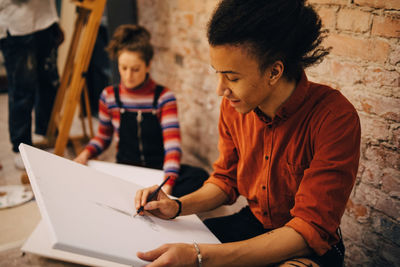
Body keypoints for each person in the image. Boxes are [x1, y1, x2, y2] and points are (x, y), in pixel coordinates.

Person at [134, 0, 361, 266]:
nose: (221, 89)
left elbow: (309, 229)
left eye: (232, 77)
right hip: (251, 223)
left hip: (306, 246)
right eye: (218, 74)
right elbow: (224, 180)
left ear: (274, 72)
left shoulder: (334, 118)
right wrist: (177, 206)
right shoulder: (234, 107)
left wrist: (199, 255)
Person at [74, 24, 208, 196]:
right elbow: (103, 136)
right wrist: (86, 153)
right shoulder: (108, 96)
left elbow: (172, 146)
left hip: (157, 171)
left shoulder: (164, 97)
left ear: (148, 65)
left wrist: (167, 184)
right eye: (123, 68)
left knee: (200, 177)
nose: (128, 75)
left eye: (135, 69)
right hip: (126, 171)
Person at [0, 0, 63, 169]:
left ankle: (46, 136)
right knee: (22, 91)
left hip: (45, 20)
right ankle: (21, 147)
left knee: (48, 84)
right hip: (17, 25)